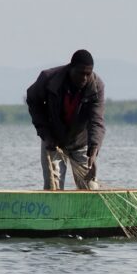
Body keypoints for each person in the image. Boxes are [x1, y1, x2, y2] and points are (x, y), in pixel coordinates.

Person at [26, 49, 105, 190]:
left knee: (90, 187)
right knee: (53, 187)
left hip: (80, 143)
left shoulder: (96, 86)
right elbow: (33, 101)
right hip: (53, 141)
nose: (85, 78)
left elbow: (96, 121)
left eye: (88, 74)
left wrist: (93, 150)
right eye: (81, 73)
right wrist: (46, 134)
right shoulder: (49, 79)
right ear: (71, 68)